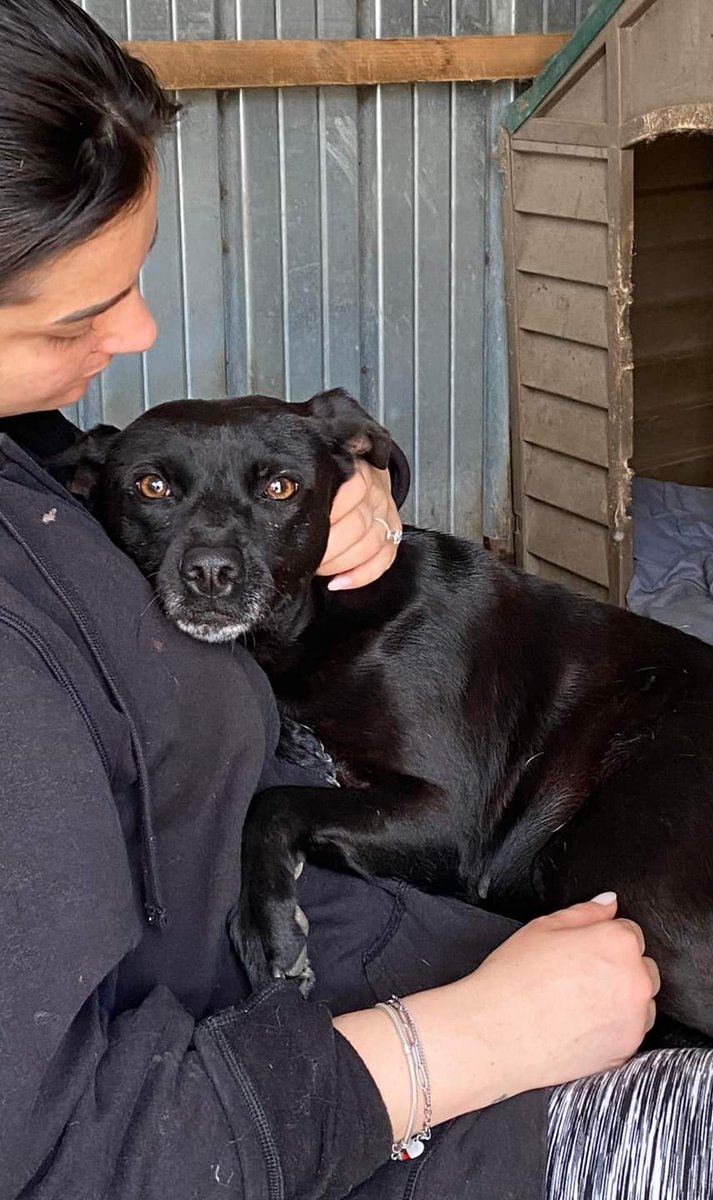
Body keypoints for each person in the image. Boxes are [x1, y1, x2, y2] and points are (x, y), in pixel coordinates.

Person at [0, 3, 659, 1197]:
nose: (143, 330)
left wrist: (317, 510)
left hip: (388, 927)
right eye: (81, 316)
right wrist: (465, 1043)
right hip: (355, 1101)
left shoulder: (30, 455)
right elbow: (68, 1158)